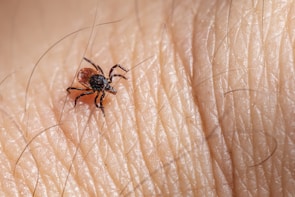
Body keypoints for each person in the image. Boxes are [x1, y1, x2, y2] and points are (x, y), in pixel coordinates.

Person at [0, 0, 293, 196]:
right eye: (103, 89)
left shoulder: (101, 80)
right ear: (99, 87)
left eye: (105, 86)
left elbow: (105, 73)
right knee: (78, 93)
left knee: (96, 79)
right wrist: (87, 101)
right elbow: (91, 88)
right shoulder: (94, 87)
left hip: (88, 70)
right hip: (86, 74)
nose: (104, 90)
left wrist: (118, 78)